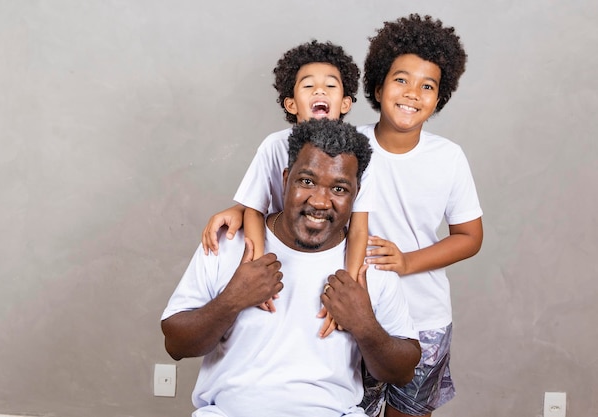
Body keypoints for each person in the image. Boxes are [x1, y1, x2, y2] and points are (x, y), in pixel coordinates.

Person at [161, 119, 421, 417]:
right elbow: (175, 344)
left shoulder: (370, 262)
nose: (320, 201)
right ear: (286, 179)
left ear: (356, 193)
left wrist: (365, 325)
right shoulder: (230, 242)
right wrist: (231, 300)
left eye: (339, 188)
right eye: (307, 181)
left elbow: (403, 371)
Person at [200, 41, 376, 336]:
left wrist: (352, 283)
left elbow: (359, 228)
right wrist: (258, 269)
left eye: (330, 86)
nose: (320, 91)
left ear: (345, 103)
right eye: (309, 86)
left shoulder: (357, 152)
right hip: (282, 250)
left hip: (324, 252)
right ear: (291, 104)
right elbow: (255, 209)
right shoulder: (274, 145)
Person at [358, 14, 484, 417]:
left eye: (427, 85)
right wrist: (241, 209)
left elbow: (469, 236)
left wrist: (408, 261)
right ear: (378, 86)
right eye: (401, 80)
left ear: (438, 97)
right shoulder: (347, 146)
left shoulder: (448, 157)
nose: (413, 93)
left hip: (423, 319)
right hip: (357, 315)